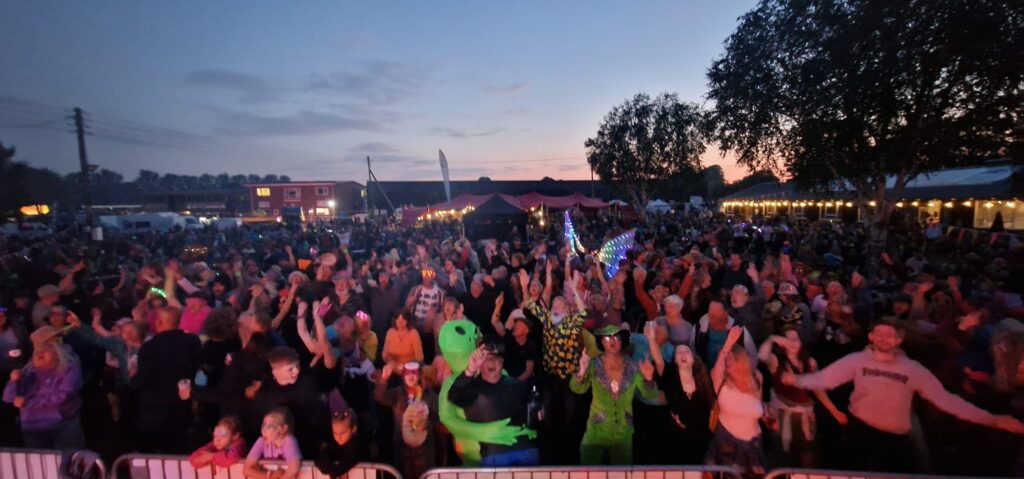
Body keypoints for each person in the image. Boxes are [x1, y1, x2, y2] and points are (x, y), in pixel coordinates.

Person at [781, 319, 1024, 472]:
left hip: (895, 437)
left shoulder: (913, 370)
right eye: (879, 334)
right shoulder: (856, 361)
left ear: (899, 339)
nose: (884, 339)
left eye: (890, 335)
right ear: (871, 337)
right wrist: (797, 380)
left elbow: (946, 401)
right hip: (859, 431)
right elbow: (825, 379)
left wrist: (995, 420)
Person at [758, 328, 848, 467]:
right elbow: (762, 356)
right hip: (782, 414)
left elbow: (819, 389)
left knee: (808, 453)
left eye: (795, 338)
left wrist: (834, 411)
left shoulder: (810, 362)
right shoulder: (777, 361)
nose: (792, 342)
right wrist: (772, 338)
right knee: (784, 453)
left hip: (806, 414)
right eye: (788, 339)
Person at [570, 325, 657, 465]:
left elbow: (650, 394)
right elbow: (577, 389)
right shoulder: (593, 364)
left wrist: (648, 378)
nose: (612, 340)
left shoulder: (633, 366)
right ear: (602, 342)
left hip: (623, 434)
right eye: (608, 337)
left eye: (616, 337)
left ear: (622, 341)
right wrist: (581, 372)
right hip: (596, 433)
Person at [449, 339, 540, 466]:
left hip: (526, 452)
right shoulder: (471, 388)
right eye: (487, 357)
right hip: (494, 457)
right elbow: (454, 396)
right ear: (480, 361)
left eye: (497, 358)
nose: (492, 361)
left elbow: (538, 409)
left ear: (502, 362)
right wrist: (470, 369)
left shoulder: (517, 385)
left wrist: (541, 412)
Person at [133, 306, 201, 453]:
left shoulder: (149, 348)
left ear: (158, 322)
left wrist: (133, 376)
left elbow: (142, 381)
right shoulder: (192, 342)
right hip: (181, 405)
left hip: (154, 410)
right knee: (176, 451)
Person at [644, 321, 714, 464]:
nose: (682, 353)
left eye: (686, 351)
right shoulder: (670, 376)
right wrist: (651, 339)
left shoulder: (703, 377)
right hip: (677, 438)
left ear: (693, 359)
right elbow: (659, 361)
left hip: (702, 439)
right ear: (675, 360)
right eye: (679, 352)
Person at [706, 327, 769, 477]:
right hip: (727, 444)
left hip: (754, 444)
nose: (726, 362)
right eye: (725, 359)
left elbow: (759, 407)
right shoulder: (720, 382)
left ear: (741, 360)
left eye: (730, 359)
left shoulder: (756, 379)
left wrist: (767, 414)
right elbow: (718, 368)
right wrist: (727, 346)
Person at [2, 341, 85, 449]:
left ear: (57, 354)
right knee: (39, 462)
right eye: (36, 352)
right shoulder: (26, 373)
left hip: (62, 424)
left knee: (70, 459)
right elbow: (8, 398)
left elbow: (62, 395)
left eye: (45, 350)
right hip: (32, 426)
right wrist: (13, 381)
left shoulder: (68, 370)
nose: (39, 354)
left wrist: (29, 402)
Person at [376, 361, 438, 478]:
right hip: (402, 448)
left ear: (419, 375)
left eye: (414, 373)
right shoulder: (398, 393)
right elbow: (380, 397)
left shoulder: (430, 395)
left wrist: (425, 423)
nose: (411, 376)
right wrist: (384, 378)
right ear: (403, 376)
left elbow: (437, 418)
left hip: (424, 449)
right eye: (408, 373)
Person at [243, 408, 302, 479]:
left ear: (283, 429)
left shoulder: (289, 440)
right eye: (263, 425)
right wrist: (270, 476)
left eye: (269, 426)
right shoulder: (261, 441)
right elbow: (246, 470)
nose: (263, 430)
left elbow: (294, 468)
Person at [315, 408, 369, 479]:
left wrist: (334, 472)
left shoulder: (359, 445)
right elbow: (320, 459)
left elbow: (350, 459)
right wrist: (332, 470)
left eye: (343, 433)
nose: (338, 437)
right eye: (335, 433)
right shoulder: (335, 444)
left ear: (353, 429)